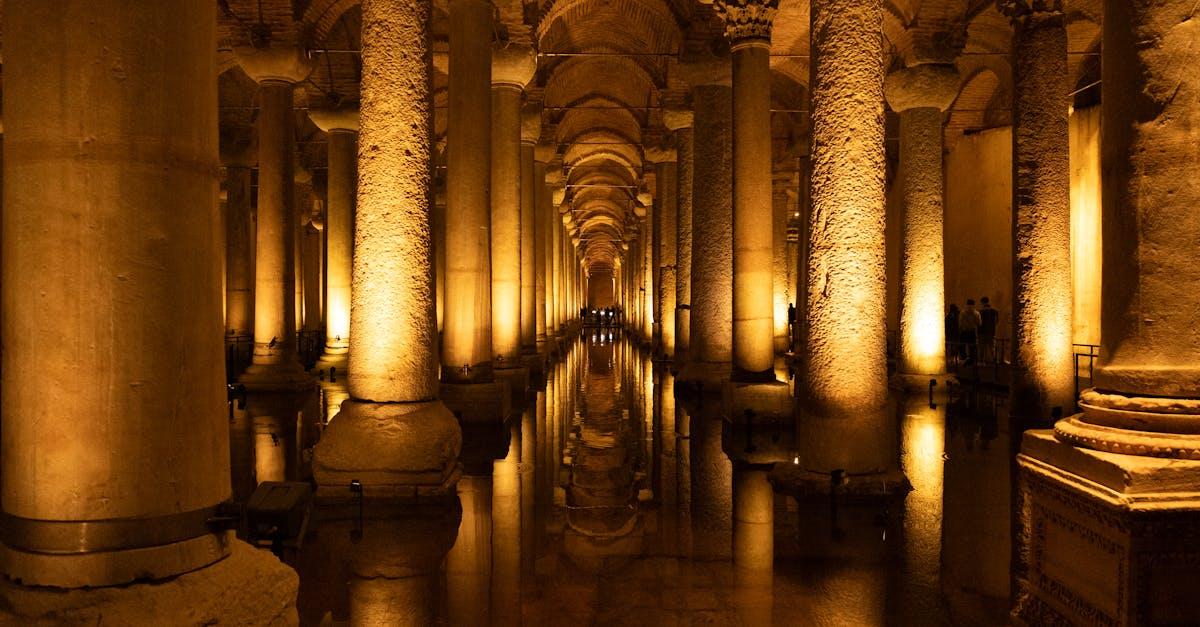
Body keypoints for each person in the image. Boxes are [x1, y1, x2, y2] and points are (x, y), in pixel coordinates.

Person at [959, 298, 982, 365]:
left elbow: (960, 323)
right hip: (972, 332)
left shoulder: (962, 312)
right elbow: (979, 323)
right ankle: (972, 360)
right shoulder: (976, 313)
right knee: (972, 347)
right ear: (974, 304)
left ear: (966, 304)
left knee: (962, 346)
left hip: (964, 331)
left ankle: (964, 359)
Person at [978, 296, 999, 364]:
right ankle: (994, 360)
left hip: (982, 332)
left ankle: (981, 361)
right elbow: (997, 321)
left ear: (982, 302)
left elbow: (979, 323)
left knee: (982, 348)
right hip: (991, 332)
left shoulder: (981, 311)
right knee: (992, 347)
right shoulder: (994, 311)